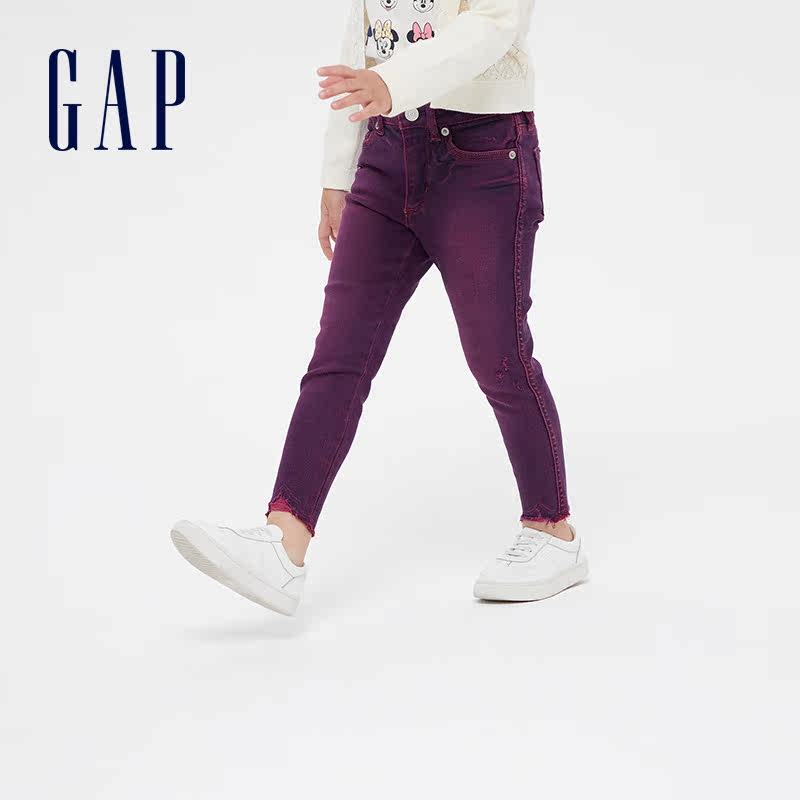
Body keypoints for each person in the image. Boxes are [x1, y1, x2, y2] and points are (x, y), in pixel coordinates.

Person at [171, 0, 588, 616]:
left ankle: (553, 530)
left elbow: (493, 25)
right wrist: (338, 172)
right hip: (388, 150)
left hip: (483, 158)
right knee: (338, 356)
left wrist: (392, 82)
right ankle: (283, 545)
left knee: (498, 357)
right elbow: (362, 34)